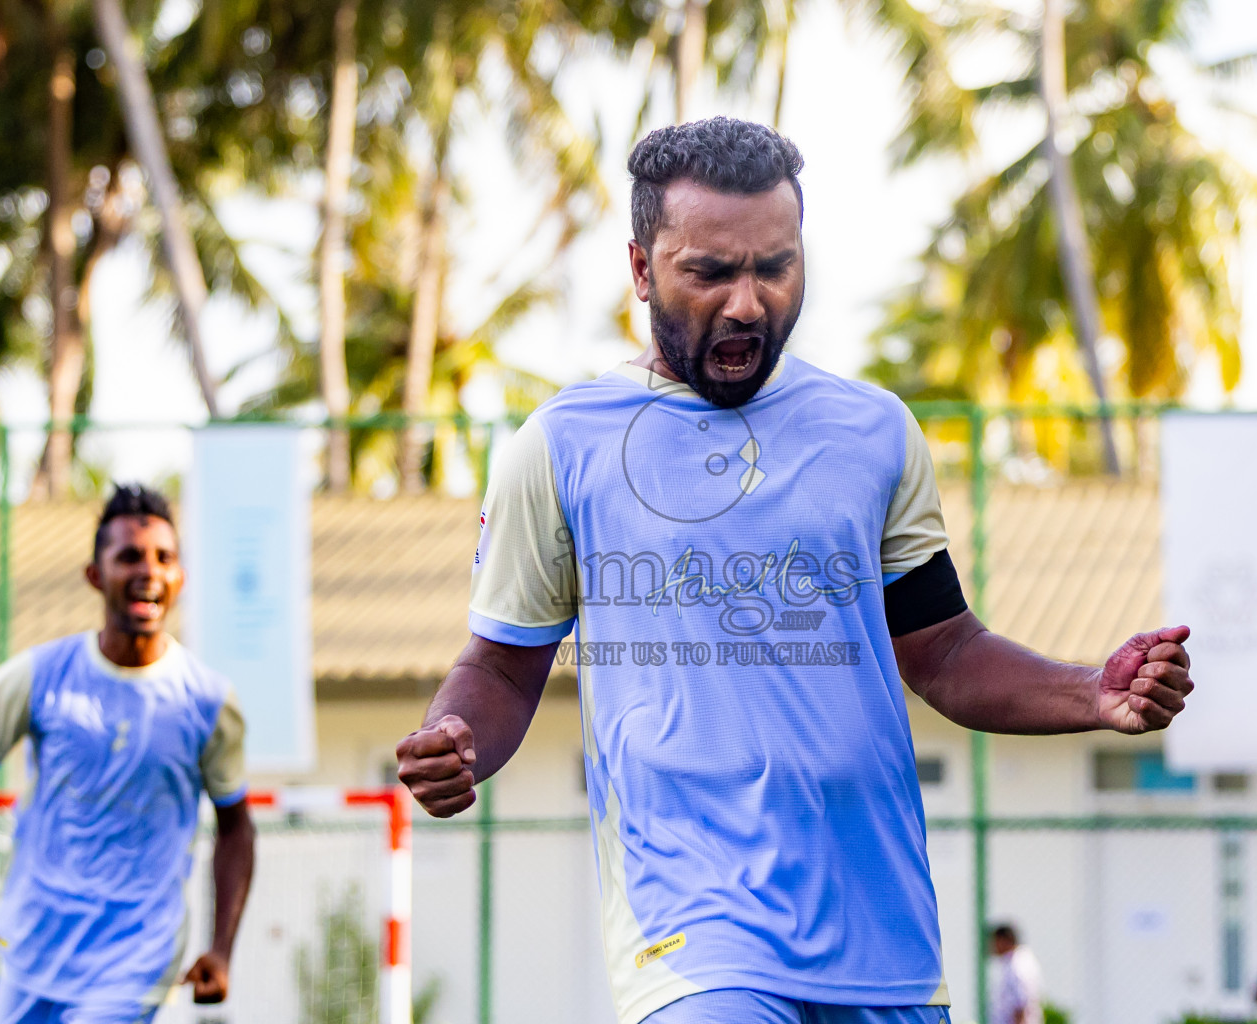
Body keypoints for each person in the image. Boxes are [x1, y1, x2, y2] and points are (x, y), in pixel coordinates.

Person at [395, 117, 1195, 1024]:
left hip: (884, 945)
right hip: (692, 940)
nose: (747, 303)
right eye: (709, 272)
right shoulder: (561, 448)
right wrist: (456, 737)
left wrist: (1091, 692)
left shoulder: (874, 434)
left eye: (775, 268)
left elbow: (942, 652)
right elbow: (503, 668)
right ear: (641, 269)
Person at [0, 484, 255, 1023]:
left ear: (180, 577)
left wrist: (222, 948)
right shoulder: (37, 676)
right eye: (129, 556)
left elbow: (236, 828)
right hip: (31, 949)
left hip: (138, 958)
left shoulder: (207, 700)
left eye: (164, 558)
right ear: (94, 574)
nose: (148, 570)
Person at [990, 925, 1044, 1024]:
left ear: (1003, 940)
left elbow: (1021, 1003)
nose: (992, 947)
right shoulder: (1023, 959)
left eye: (994, 942)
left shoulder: (1016, 964)